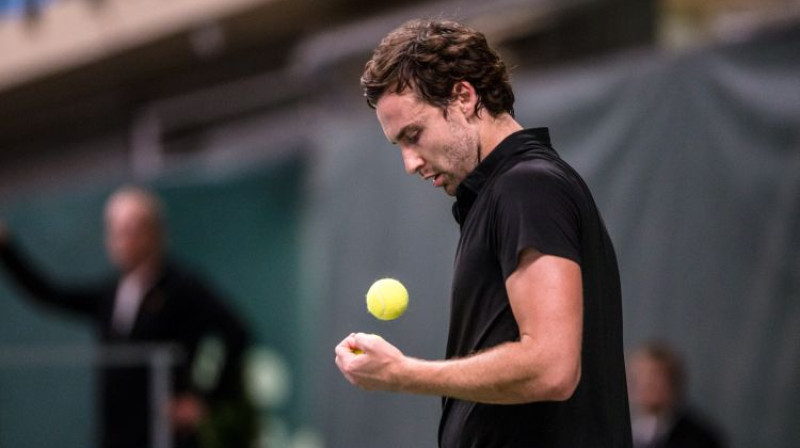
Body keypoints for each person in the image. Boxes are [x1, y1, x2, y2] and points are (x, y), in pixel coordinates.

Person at [334, 18, 632, 447]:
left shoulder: (527, 187)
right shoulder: (502, 194)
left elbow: (552, 367)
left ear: (464, 96)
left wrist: (403, 374)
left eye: (414, 135)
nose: (410, 163)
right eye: (399, 144)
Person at [0, 187, 252, 448]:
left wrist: (202, 399)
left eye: (131, 229)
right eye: (115, 229)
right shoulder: (112, 293)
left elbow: (237, 332)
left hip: (164, 435)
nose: (121, 239)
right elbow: (50, 294)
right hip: (117, 434)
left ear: (154, 232)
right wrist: (7, 247)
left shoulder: (181, 287)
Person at [628, 342, 725, 448]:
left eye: (655, 377)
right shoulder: (631, 434)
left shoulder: (701, 439)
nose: (646, 383)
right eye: (640, 376)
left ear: (674, 383)